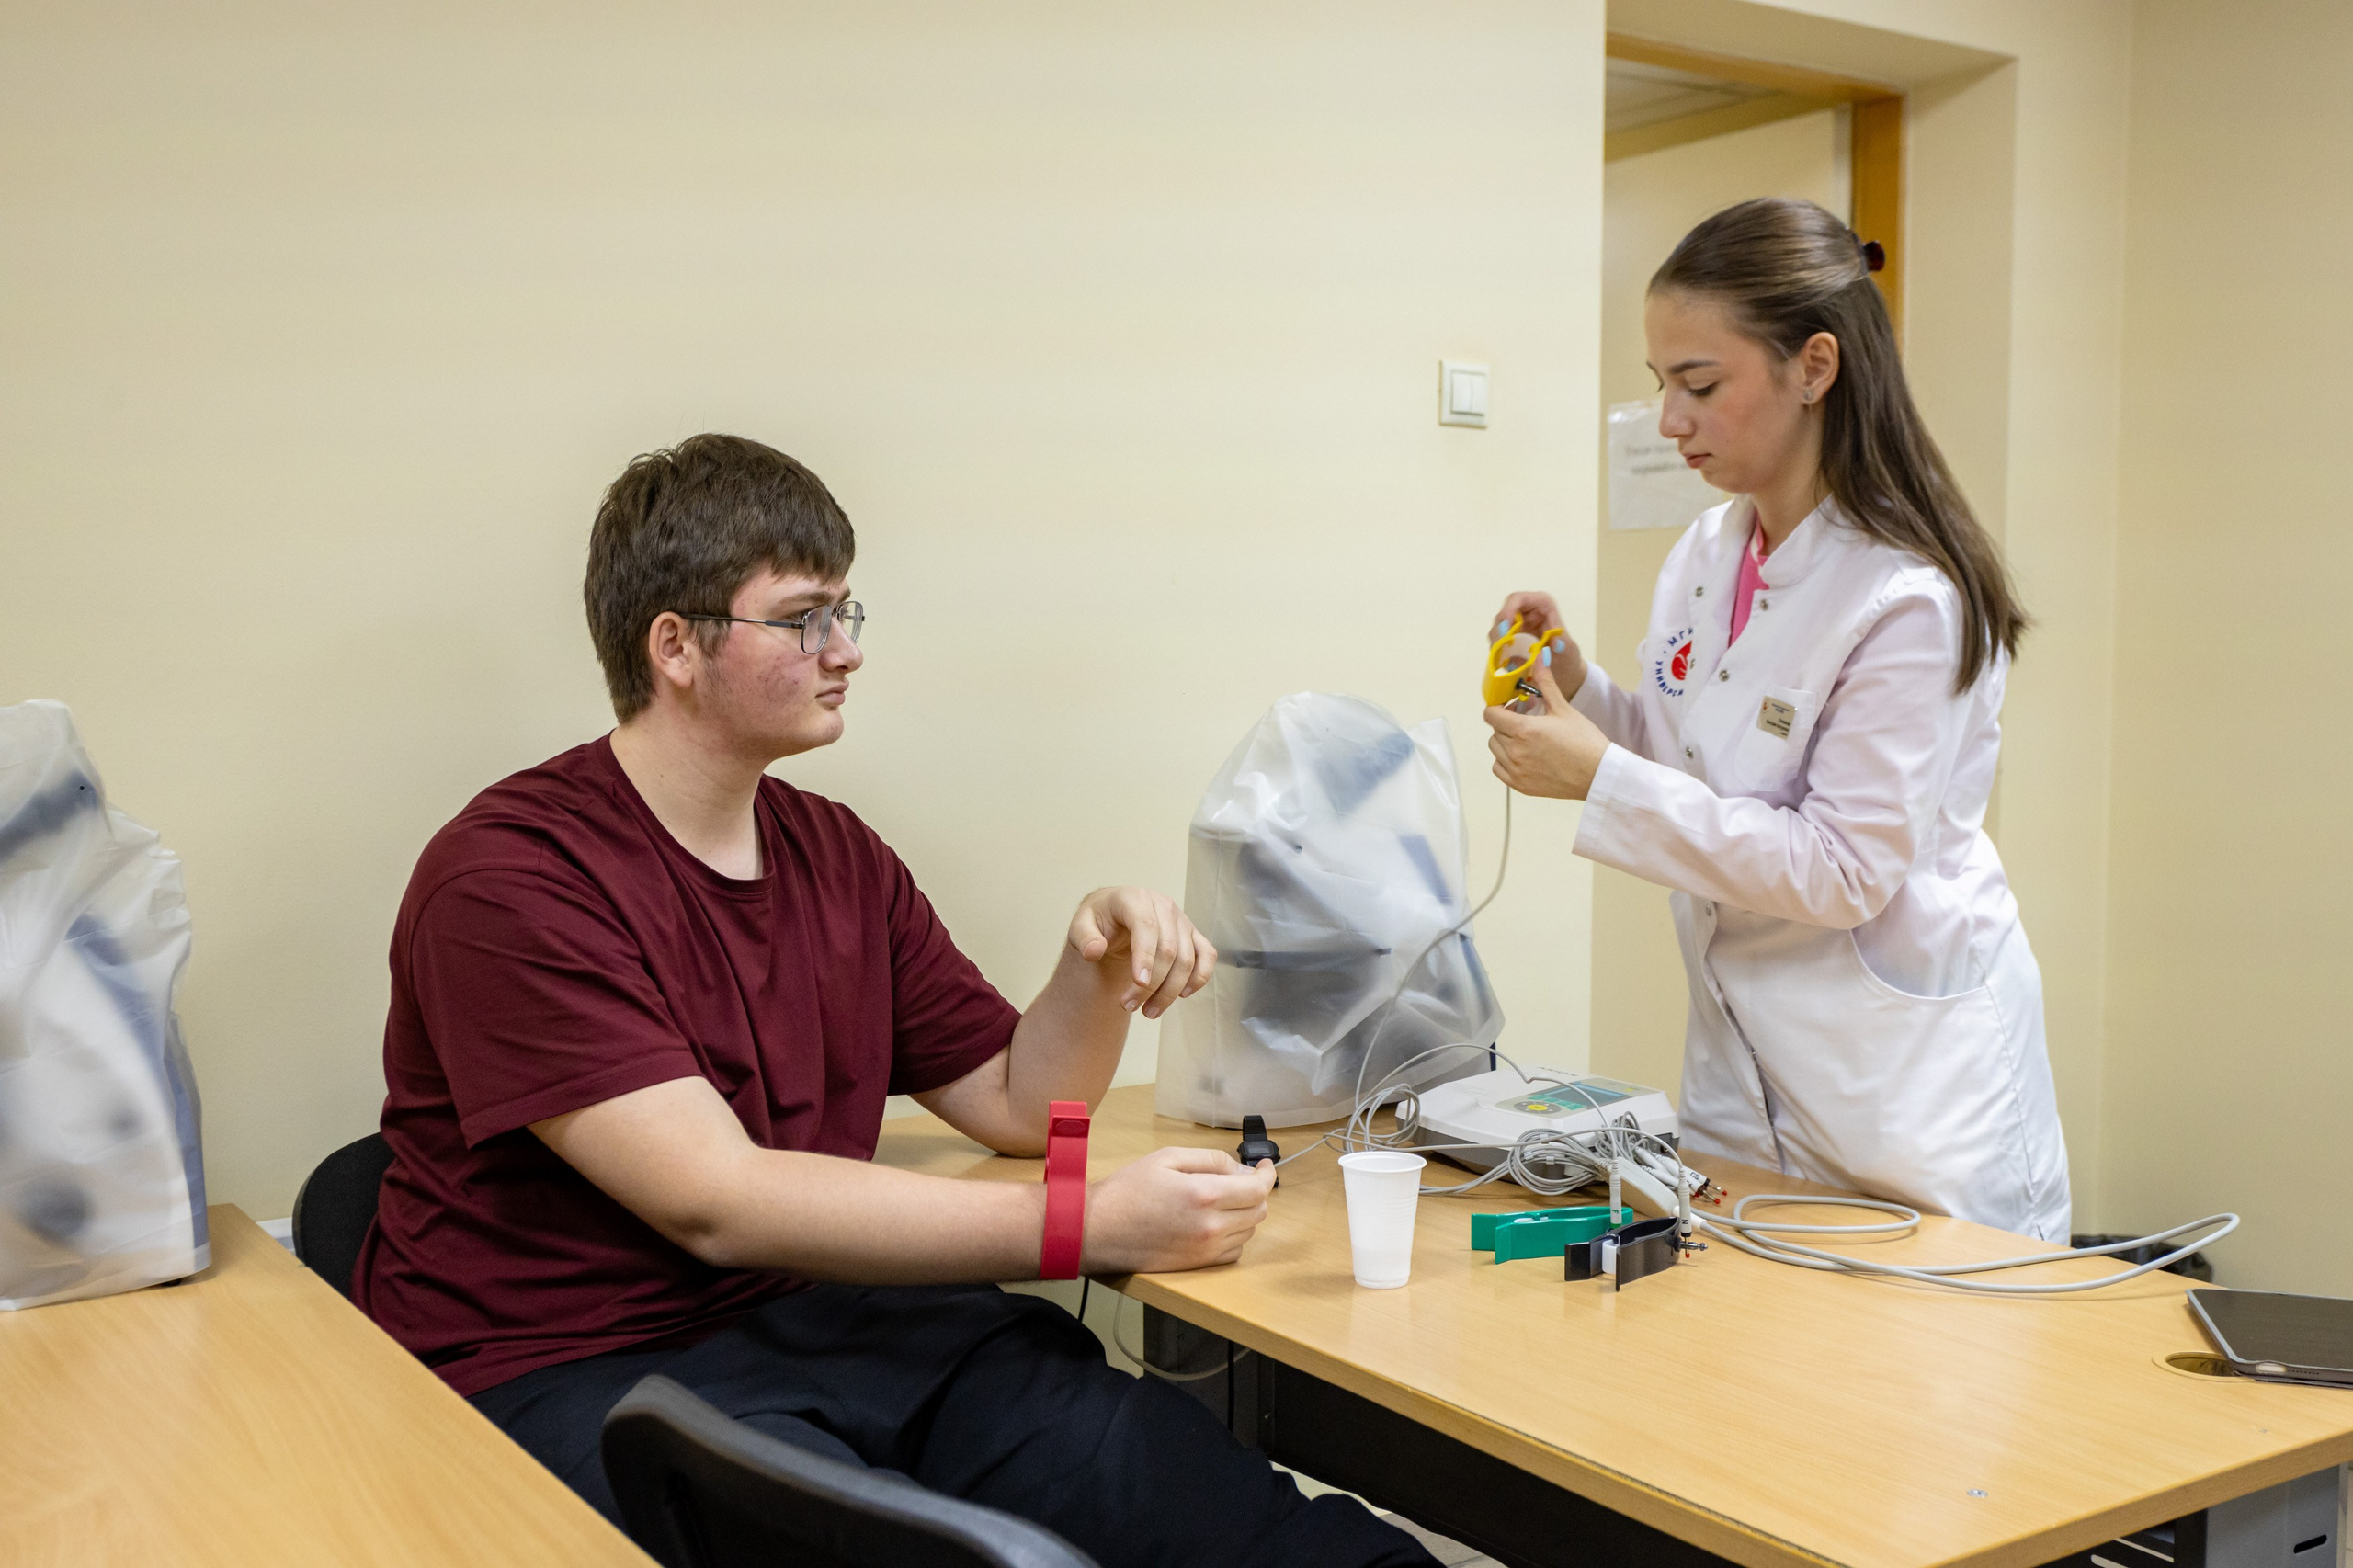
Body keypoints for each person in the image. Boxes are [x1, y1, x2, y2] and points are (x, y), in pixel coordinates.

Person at [354, 434, 1437, 1568]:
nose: (845, 650)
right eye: (804, 617)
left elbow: (1023, 1104)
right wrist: (1080, 1225)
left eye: (845, 611)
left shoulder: (835, 854)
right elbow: (713, 1201)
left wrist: (1097, 967)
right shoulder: (511, 877)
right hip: (580, 1366)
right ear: (675, 645)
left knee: (1263, 1531)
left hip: (832, 1319)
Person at [1483, 197, 2068, 1242]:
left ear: (1814, 366)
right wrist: (1583, 691)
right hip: (1743, 1076)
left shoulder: (1906, 597)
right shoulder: (1709, 553)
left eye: (1699, 384)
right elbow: (1696, 764)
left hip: (1902, 1097)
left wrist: (1595, 777)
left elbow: (1843, 868)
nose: (1669, 420)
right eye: (1660, 383)